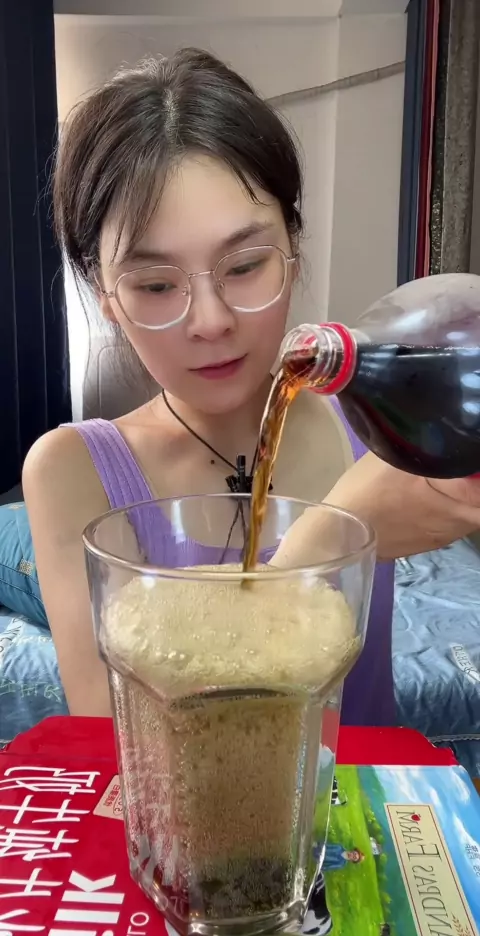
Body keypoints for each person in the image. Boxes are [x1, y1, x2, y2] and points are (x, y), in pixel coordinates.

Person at [23, 47, 480, 724]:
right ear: (105, 295)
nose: (210, 321)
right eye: (156, 284)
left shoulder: (374, 425)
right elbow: (124, 742)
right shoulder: (71, 471)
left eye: (243, 266)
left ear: (293, 249)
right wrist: (320, 549)